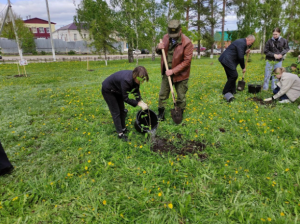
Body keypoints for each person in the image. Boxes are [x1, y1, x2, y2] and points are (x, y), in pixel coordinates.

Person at [156, 20, 193, 121]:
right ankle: (161, 113)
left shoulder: (187, 43)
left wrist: (173, 71)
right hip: (167, 73)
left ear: (180, 30)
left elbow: (187, 62)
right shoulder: (165, 37)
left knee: (181, 96)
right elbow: (160, 51)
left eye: (175, 34)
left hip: (181, 75)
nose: (173, 36)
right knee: (162, 94)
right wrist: (158, 48)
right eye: (171, 34)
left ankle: (179, 113)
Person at [102, 66, 149, 141]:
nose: (142, 81)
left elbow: (136, 90)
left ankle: (123, 128)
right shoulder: (126, 80)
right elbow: (125, 98)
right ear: (135, 75)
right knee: (116, 112)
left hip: (117, 90)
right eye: (141, 79)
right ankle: (120, 134)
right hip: (108, 90)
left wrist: (139, 100)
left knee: (122, 110)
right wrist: (137, 103)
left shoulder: (136, 79)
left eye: (143, 79)